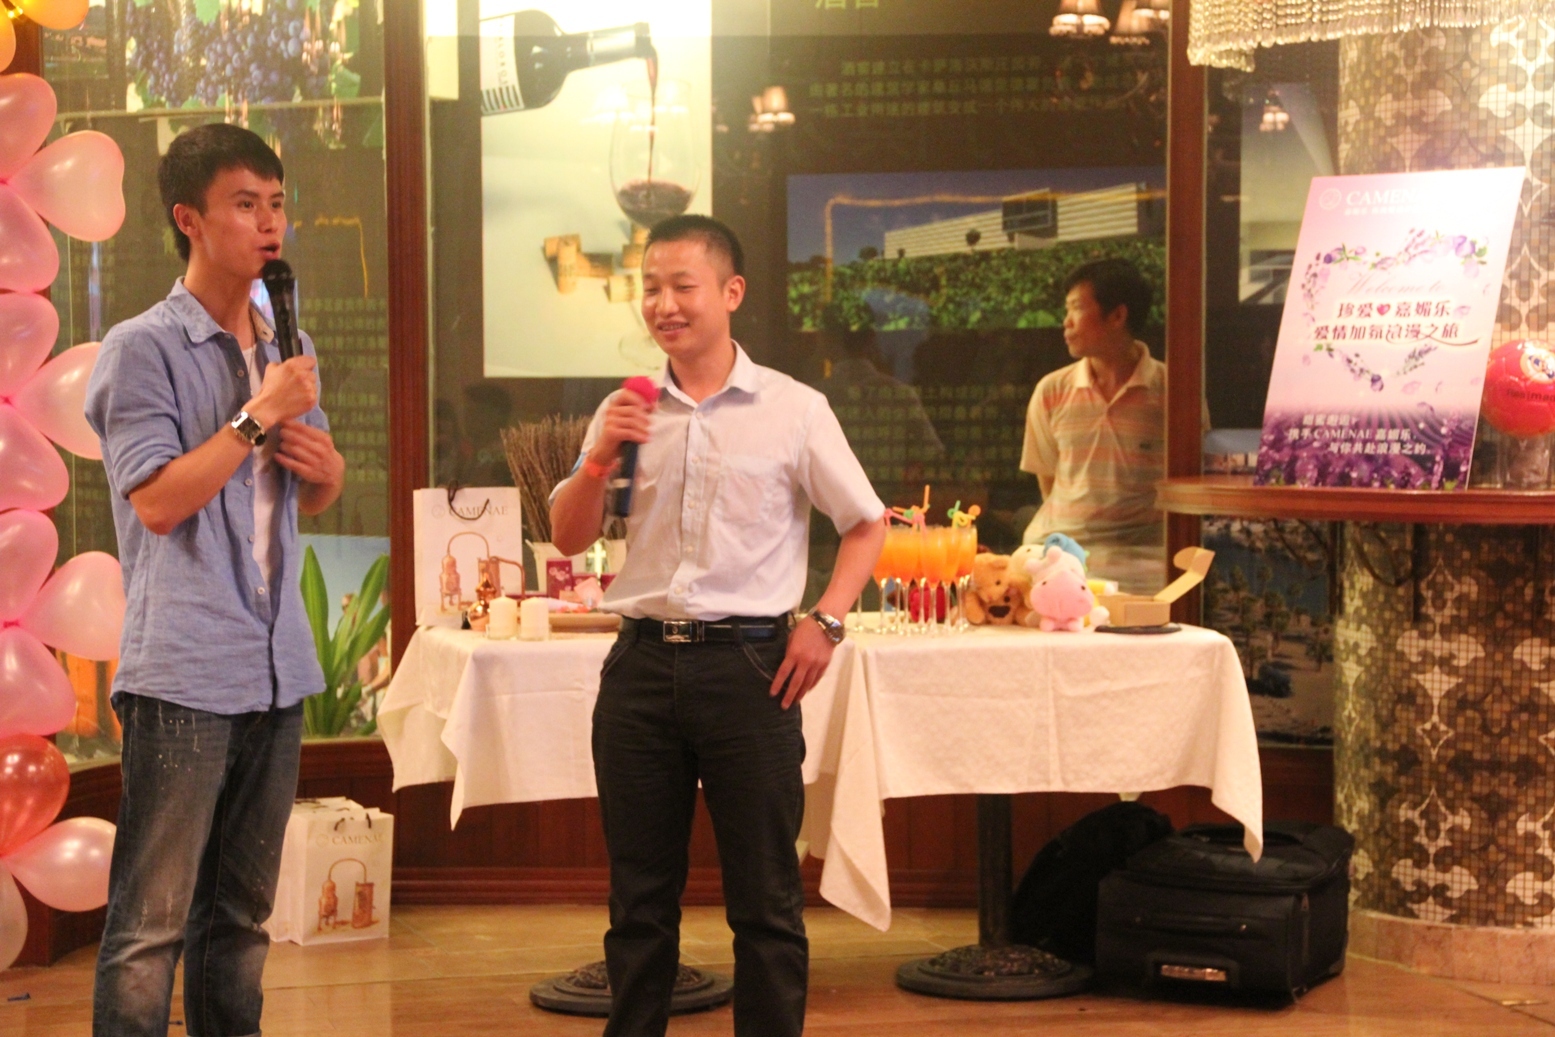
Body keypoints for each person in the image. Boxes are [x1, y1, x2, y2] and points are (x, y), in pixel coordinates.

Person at [550, 215, 886, 1037]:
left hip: (749, 666)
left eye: (682, 286)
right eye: (650, 288)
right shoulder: (627, 407)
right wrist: (597, 459)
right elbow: (566, 535)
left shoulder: (793, 408)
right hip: (639, 668)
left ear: (730, 292)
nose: (663, 304)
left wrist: (826, 622)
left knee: (765, 899)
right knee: (638, 900)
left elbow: (865, 521)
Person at [84, 123, 344, 1037]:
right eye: (244, 204)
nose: (269, 223)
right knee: (149, 927)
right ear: (189, 219)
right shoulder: (141, 348)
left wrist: (325, 469)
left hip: (276, 668)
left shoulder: (288, 339)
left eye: (276, 204)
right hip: (184, 670)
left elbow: (308, 493)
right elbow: (157, 502)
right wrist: (254, 416)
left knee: (240, 919)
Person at [1020, 257, 1166, 593]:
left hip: (1142, 558)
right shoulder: (1052, 390)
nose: (1066, 322)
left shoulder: (1171, 391)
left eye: (1076, 308)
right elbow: (1048, 480)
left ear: (1117, 316)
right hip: (1058, 550)